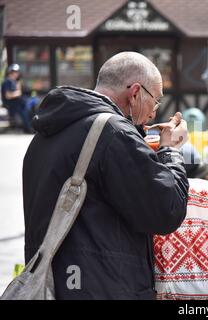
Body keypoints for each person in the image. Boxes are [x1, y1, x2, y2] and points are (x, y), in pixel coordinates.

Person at [22, 52, 189, 299]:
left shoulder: (47, 133)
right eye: (155, 101)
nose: (154, 114)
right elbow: (166, 212)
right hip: (104, 287)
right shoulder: (114, 133)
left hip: (54, 286)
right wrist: (170, 151)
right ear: (134, 93)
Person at [1, 64, 33, 133]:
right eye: (14, 72)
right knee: (24, 109)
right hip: (11, 103)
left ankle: (29, 126)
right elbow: (8, 95)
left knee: (30, 103)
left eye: (17, 72)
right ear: (10, 72)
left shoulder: (15, 81)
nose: (16, 74)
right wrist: (18, 92)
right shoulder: (7, 81)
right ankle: (27, 128)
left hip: (17, 102)